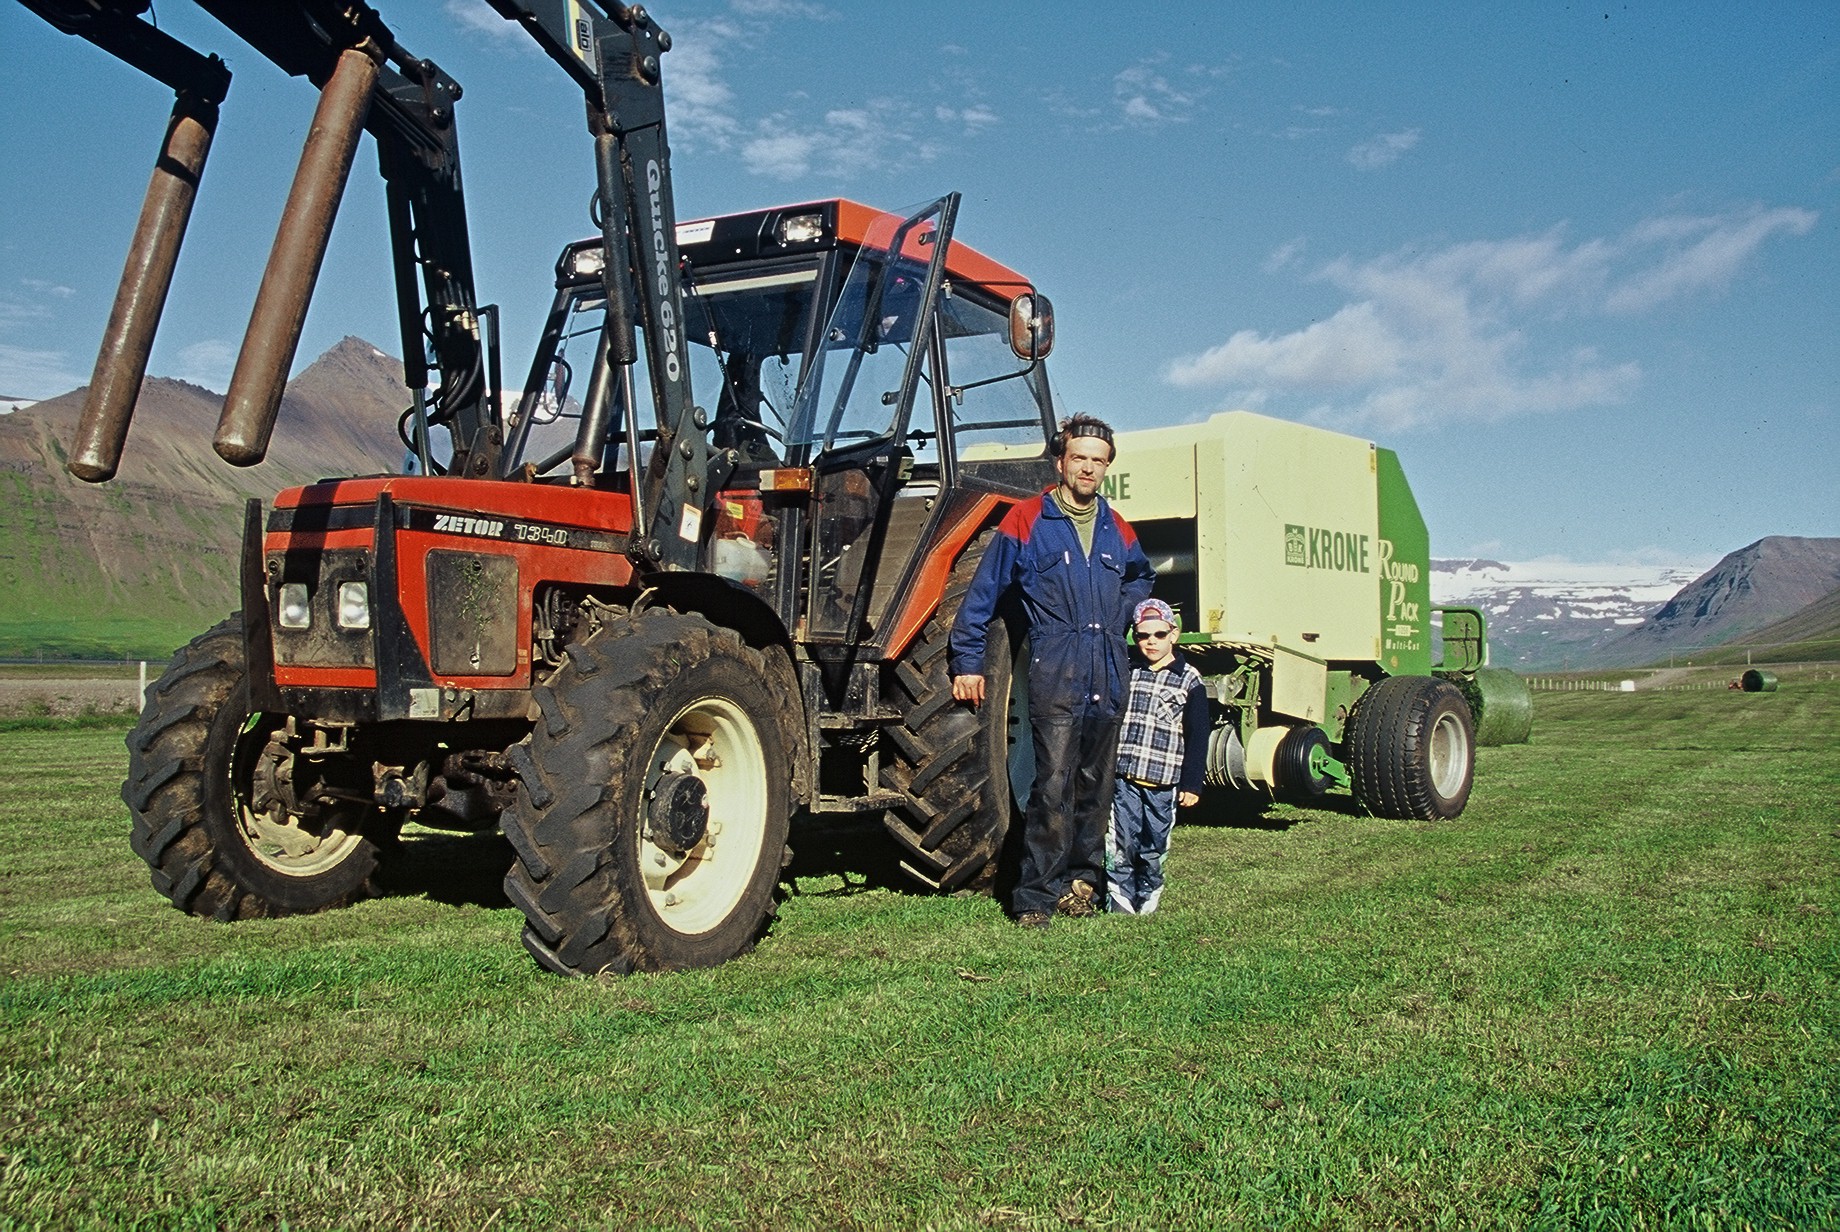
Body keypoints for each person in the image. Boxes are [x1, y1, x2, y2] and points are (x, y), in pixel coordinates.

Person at [949, 413, 1155, 928]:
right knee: (1053, 785)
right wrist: (968, 660)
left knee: (1097, 786)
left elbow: (1142, 577)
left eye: (1098, 461)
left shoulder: (1116, 526)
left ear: (1106, 468)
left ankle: (1081, 885)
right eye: (1080, 458)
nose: (1088, 468)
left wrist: (1120, 615)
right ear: (1061, 461)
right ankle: (1036, 898)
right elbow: (982, 596)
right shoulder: (1025, 520)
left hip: (1108, 670)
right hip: (1056, 667)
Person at [1109, 598, 1209, 915]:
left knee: (1153, 845)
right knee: (1121, 840)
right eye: (1142, 635)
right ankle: (1120, 898)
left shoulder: (1189, 679)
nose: (1150, 642)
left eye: (1158, 635)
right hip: (1124, 776)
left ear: (1174, 635)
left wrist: (1192, 784)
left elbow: (1198, 736)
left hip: (1163, 780)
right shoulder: (1128, 670)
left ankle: (1148, 895)